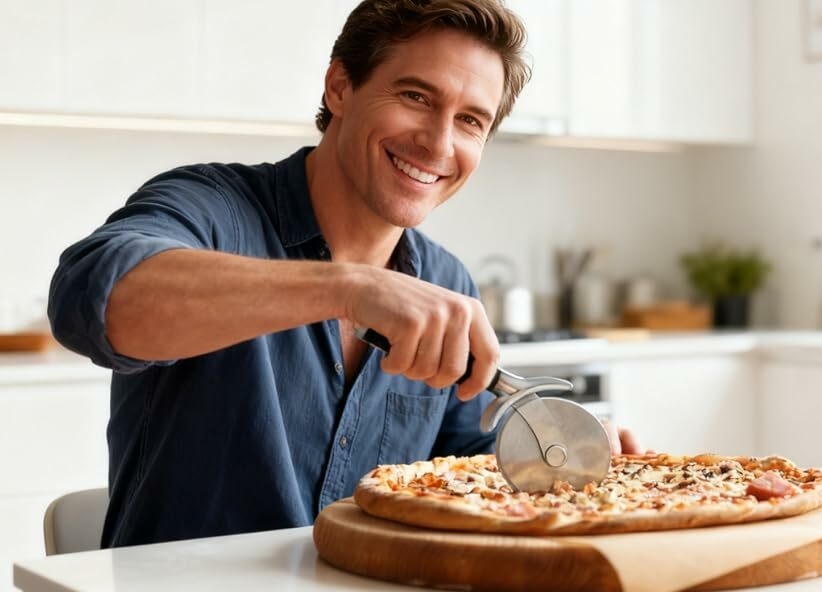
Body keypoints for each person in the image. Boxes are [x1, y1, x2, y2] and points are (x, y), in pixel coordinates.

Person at [49, 0, 640, 548]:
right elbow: (93, 302)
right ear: (340, 87)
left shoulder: (445, 280)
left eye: (470, 121)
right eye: (415, 96)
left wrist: (559, 460)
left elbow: (464, 471)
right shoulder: (212, 207)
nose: (438, 143)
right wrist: (351, 288)